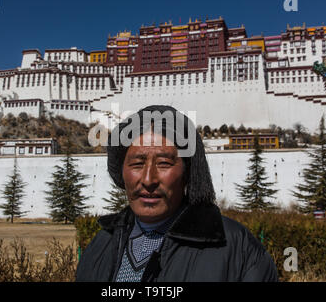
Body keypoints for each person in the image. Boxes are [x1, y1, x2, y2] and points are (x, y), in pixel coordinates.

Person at [76, 105, 278, 282]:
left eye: (164, 163)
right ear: (121, 170)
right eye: (137, 163)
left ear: (188, 170)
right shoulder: (101, 245)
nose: (148, 180)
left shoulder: (236, 248)